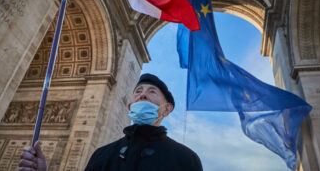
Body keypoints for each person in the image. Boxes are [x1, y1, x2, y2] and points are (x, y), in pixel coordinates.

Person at [18, 73, 203, 171]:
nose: (143, 94)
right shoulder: (102, 155)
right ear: (130, 105)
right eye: (138, 91)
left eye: (152, 92)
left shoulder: (186, 159)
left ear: (167, 109)